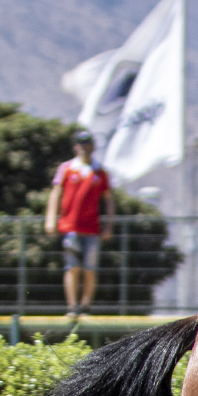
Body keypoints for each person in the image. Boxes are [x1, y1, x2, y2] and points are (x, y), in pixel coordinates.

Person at [44, 130, 114, 316]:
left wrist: (109, 225)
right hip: (70, 227)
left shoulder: (100, 171)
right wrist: (51, 218)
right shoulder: (67, 168)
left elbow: (108, 199)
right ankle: (72, 306)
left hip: (92, 228)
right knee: (72, 267)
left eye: (87, 144)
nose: (84, 147)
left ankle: (86, 306)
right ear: (76, 147)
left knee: (90, 268)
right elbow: (56, 193)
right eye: (81, 144)